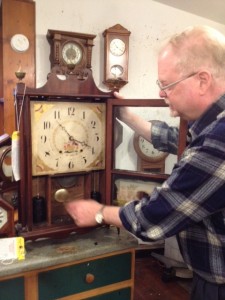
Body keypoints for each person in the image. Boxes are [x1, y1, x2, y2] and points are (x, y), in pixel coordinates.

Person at [65, 25, 225, 300]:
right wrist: (128, 118)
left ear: (202, 80)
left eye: (167, 85)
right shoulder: (211, 128)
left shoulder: (218, 142)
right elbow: (180, 139)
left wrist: (99, 212)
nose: (162, 93)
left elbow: (155, 216)